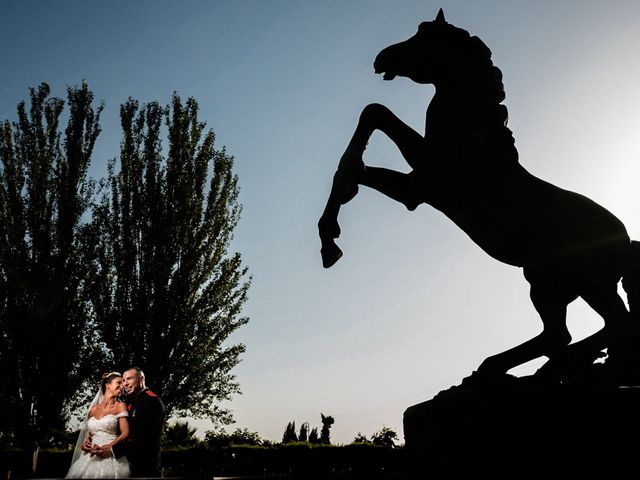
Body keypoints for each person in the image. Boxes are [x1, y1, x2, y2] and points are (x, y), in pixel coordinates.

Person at [92, 367, 166, 477]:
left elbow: (144, 438)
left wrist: (113, 450)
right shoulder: (128, 402)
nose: (125, 384)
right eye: (123, 380)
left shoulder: (152, 401)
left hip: (144, 466)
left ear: (141, 379)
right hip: (126, 463)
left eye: (129, 379)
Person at [66, 372, 130, 479]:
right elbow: (89, 434)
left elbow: (125, 433)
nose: (122, 386)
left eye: (123, 383)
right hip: (89, 456)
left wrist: (110, 447)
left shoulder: (120, 406)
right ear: (108, 385)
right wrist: (85, 443)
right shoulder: (93, 409)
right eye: (119, 382)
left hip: (109, 457)